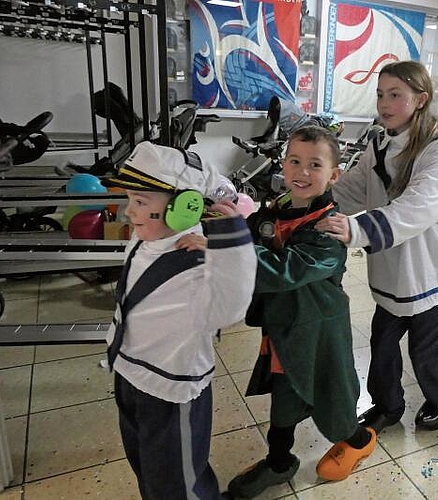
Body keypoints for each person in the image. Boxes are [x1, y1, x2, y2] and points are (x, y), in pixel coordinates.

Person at [226, 126, 376, 498]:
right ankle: (279, 462)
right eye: (295, 161)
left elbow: (284, 270)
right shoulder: (280, 208)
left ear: (334, 175)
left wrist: (229, 244)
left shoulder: (329, 230)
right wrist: (229, 217)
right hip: (285, 326)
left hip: (320, 329)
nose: (302, 172)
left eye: (314, 165)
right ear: (283, 163)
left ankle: (358, 439)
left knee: (333, 393)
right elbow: (255, 231)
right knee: (284, 394)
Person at [102, 141, 258, 500]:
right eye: (130, 199)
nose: (129, 212)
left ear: (185, 208)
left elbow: (231, 306)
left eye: (141, 202)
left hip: (172, 391)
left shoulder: (198, 264)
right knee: (146, 466)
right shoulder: (144, 240)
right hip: (131, 374)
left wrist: (228, 244)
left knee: (179, 484)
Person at [317, 60, 438, 433]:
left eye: (395, 95)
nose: (384, 103)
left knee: (427, 351)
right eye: (381, 94)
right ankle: (387, 405)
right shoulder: (379, 142)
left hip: (433, 270)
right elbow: (352, 188)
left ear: (420, 99)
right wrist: (311, 203)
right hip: (394, 270)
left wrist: (357, 228)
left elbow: (419, 205)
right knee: (382, 344)